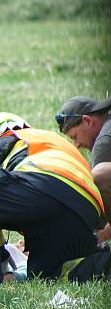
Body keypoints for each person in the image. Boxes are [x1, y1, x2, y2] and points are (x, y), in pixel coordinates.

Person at [0, 112, 111, 283]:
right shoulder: (49, 141)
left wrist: (0, 262)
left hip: (47, 187)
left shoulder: (8, 137)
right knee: (44, 275)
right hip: (85, 210)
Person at [55, 96, 111, 244]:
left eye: (75, 137)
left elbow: (96, 202)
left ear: (87, 120)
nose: (77, 145)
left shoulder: (103, 142)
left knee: (99, 176)